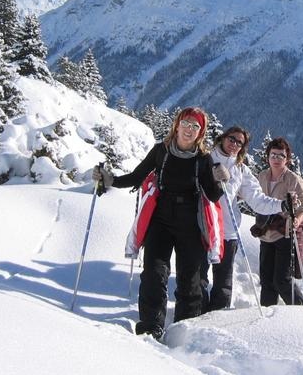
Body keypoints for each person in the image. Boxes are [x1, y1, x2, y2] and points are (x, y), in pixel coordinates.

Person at [93, 107, 224, 340]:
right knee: (154, 273)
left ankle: (185, 331)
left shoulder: (203, 160)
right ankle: (151, 327)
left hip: (190, 223)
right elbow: (136, 177)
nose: (189, 129)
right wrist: (109, 180)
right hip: (161, 220)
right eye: (186, 123)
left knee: (190, 279)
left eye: (195, 126)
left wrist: (218, 179)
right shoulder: (160, 152)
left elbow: (213, 196)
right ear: (177, 125)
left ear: (200, 133)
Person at [200, 126, 285, 312]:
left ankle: (217, 320)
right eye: (232, 139)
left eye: (240, 143)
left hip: (227, 232)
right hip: (202, 228)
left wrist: (281, 205)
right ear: (223, 138)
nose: (235, 144)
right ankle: (193, 319)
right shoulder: (205, 158)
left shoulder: (240, 169)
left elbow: (257, 200)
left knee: (223, 283)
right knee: (197, 279)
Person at [253, 137, 303, 306]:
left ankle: (300, 312)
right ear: (267, 156)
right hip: (265, 233)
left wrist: (298, 219)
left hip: (284, 233)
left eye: (281, 156)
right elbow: (251, 195)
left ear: (287, 159)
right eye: (273, 155)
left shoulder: (292, 179)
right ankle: (269, 317)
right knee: (267, 281)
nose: (276, 159)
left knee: (281, 280)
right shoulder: (262, 176)